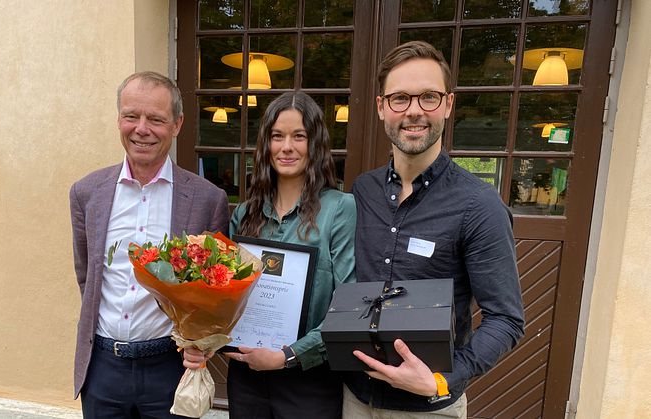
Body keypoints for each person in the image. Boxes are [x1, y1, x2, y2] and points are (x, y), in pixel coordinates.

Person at [344, 41, 525, 418]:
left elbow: (506, 319)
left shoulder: (478, 205)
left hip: (428, 408)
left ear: (448, 104)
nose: (413, 111)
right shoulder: (363, 191)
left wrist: (444, 379)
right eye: (400, 99)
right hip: (354, 398)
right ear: (381, 107)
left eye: (428, 96)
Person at [183, 91, 357, 418]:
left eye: (298, 136)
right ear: (266, 144)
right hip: (246, 378)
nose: (286, 147)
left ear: (315, 144)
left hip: (309, 380)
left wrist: (289, 356)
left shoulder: (339, 209)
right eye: (277, 136)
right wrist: (202, 341)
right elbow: (224, 299)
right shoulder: (245, 214)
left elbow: (346, 308)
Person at [69, 71, 229, 418]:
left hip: (169, 369)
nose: (142, 129)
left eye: (156, 119)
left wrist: (204, 345)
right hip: (102, 370)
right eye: (131, 116)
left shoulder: (206, 199)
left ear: (177, 125)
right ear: (119, 119)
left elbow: (215, 295)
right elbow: (88, 275)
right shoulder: (86, 193)